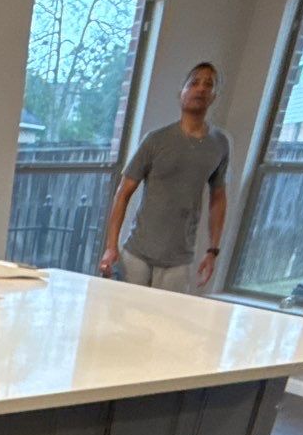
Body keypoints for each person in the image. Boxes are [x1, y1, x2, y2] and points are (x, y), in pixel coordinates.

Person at [97, 62, 230, 292]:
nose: (200, 89)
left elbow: (218, 198)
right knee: (130, 319)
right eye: (194, 82)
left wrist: (213, 250)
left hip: (179, 261)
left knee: (166, 323)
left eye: (208, 84)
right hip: (138, 254)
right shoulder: (155, 140)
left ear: (214, 96)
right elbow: (123, 193)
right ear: (182, 93)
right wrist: (111, 247)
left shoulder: (219, 144)